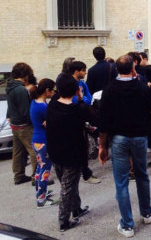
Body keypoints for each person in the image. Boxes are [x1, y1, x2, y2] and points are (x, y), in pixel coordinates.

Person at [98, 55, 151, 238]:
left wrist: (102, 146)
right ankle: (146, 213)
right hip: (139, 136)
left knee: (121, 182)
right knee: (142, 175)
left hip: (119, 137)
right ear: (133, 68)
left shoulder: (110, 89)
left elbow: (104, 120)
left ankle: (128, 225)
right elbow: (150, 108)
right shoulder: (141, 87)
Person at [46, 74, 91, 231]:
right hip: (72, 154)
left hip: (55, 152)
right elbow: (90, 115)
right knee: (67, 187)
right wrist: (79, 98)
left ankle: (76, 208)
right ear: (75, 90)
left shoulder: (52, 105)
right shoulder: (76, 109)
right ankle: (63, 221)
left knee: (71, 184)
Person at [6, 62, 37, 185]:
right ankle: (37, 177)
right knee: (34, 150)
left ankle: (19, 176)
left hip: (14, 124)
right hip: (24, 125)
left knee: (18, 151)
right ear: (25, 75)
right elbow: (26, 111)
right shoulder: (21, 89)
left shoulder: (10, 86)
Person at [70, 61, 100, 184]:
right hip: (73, 119)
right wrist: (81, 99)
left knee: (84, 146)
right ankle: (82, 172)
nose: (85, 72)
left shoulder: (82, 83)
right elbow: (72, 99)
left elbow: (88, 98)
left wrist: (82, 99)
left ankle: (85, 172)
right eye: (83, 70)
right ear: (77, 71)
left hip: (83, 118)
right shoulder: (69, 83)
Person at [30, 78, 58, 208]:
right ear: (47, 91)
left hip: (36, 140)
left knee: (40, 168)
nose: (53, 93)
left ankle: (40, 192)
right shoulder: (43, 107)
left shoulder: (34, 103)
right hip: (44, 141)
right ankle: (41, 199)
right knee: (45, 170)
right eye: (53, 90)